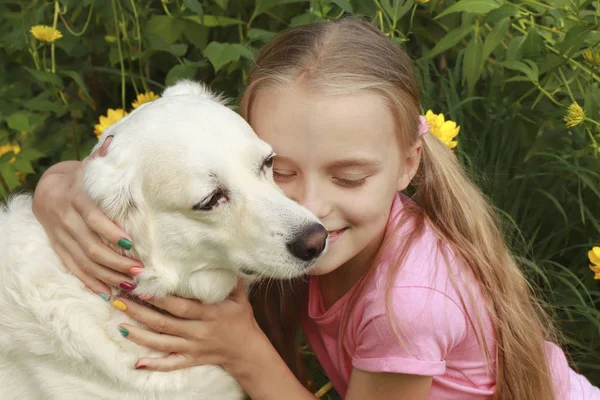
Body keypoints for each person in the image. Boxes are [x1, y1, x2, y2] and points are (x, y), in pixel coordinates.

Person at [32, 18, 599, 400]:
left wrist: (246, 351)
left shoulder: (408, 308)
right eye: (276, 169)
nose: (305, 210)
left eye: (349, 177)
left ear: (408, 165)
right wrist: (60, 187)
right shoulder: (324, 230)